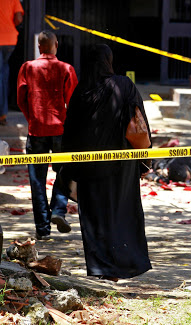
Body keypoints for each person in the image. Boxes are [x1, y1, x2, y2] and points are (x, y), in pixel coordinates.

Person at [61, 44, 152, 281]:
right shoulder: (124, 85)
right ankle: (125, 264)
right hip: (123, 165)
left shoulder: (81, 92)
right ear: (108, 61)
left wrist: (68, 168)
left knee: (95, 216)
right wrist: (145, 161)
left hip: (89, 168)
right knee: (123, 213)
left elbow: (70, 131)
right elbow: (140, 122)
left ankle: (102, 268)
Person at [17, 31, 78, 240]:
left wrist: (32, 118)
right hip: (60, 130)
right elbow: (74, 102)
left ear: (39, 46)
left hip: (36, 131)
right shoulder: (66, 69)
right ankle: (59, 210)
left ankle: (43, 229)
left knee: (37, 181)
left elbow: (21, 99)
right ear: (56, 45)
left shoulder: (27, 68)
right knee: (65, 173)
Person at [0, 0, 24, 126]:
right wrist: (9, 25)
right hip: (10, 40)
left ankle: (1, 113)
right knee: (3, 74)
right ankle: (3, 114)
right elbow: (19, 18)